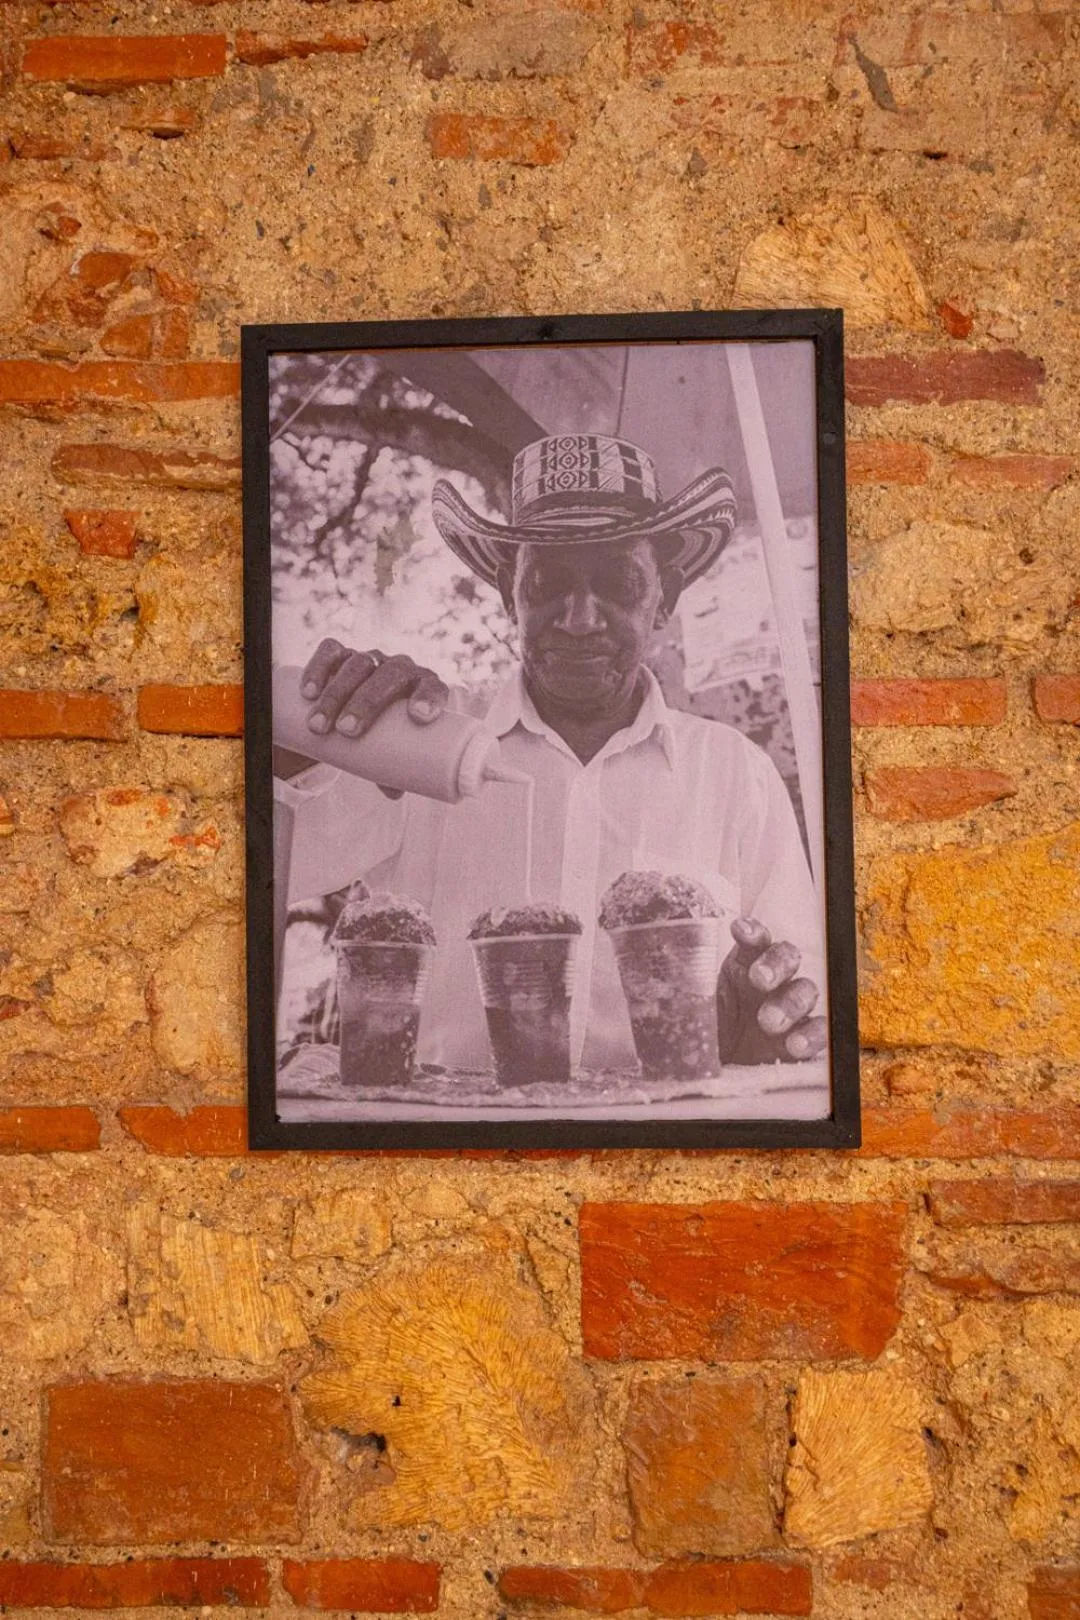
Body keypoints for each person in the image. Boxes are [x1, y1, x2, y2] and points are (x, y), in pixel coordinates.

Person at [276, 432, 826, 1075]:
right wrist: (299, 744)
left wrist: (762, 1020)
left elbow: (798, 1000)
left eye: (619, 584)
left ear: (664, 600)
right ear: (509, 592)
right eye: (548, 584)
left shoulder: (736, 775)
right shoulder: (415, 742)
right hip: (447, 1159)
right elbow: (263, 868)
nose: (581, 617)